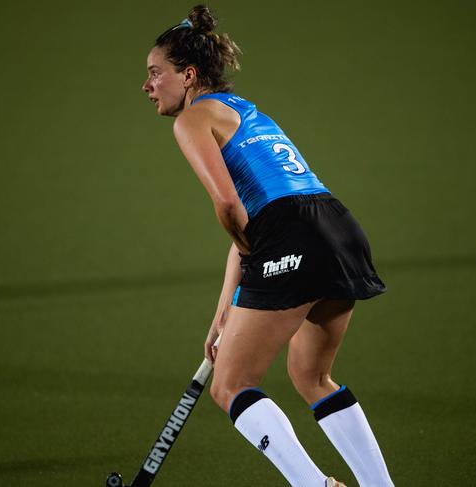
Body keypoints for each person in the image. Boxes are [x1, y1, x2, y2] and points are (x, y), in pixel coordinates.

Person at [141, 5, 395, 487]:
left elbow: (231, 209)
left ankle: (314, 485)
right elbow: (255, 227)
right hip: (337, 228)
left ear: (188, 74)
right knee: (311, 377)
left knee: (231, 384)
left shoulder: (193, 119)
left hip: (290, 236)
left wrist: (253, 274)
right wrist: (225, 309)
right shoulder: (244, 111)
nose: (147, 85)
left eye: (156, 74)